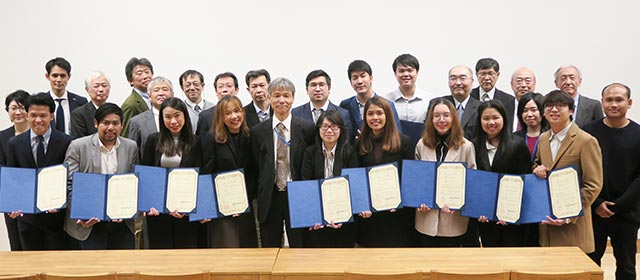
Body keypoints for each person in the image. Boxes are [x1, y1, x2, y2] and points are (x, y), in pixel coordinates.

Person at [532, 90, 602, 254]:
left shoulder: (586, 141)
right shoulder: (543, 138)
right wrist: (537, 169)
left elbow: (593, 185)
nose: (554, 110)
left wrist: (569, 215)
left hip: (573, 228)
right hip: (546, 225)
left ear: (571, 110)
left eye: (560, 105)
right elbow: (537, 164)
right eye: (549, 106)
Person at [582, 83, 640, 279]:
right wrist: (597, 203)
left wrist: (618, 206)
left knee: (626, 266)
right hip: (593, 211)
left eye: (619, 100)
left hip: (627, 212)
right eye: (609, 100)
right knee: (590, 264)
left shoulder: (638, 133)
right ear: (602, 103)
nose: (613, 104)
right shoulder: (588, 132)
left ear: (629, 103)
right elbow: (581, 171)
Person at [250, 77, 315, 248]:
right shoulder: (258, 131)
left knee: (300, 246)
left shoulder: (307, 128)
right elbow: (257, 164)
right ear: (269, 98)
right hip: (270, 195)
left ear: (293, 98)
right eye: (276, 95)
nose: (281, 100)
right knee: (270, 247)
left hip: (297, 194)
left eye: (286, 96)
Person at [63, 103, 138, 249]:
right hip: (88, 223)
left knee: (123, 268)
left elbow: (134, 182)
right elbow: (69, 184)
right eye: (106, 123)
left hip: (121, 221)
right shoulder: (78, 146)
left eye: (115, 123)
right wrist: (82, 213)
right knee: (93, 270)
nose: (111, 128)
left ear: (122, 125)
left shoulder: (131, 146)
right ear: (96, 123)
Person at [5, 92, 73, 250]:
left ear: (51, 116)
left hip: (57, 220)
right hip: (27, 219)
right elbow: (13, 179)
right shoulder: (15, 143)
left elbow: (70, 179)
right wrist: (13, 205)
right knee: (30, 267)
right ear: (27, 115)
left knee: (56, 269)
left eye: (43, 115)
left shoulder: (67, 142)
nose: (38, 120)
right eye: (33, 115)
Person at [141, 97, 202, 249]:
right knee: (161, 255)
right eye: (167, 117)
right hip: (158, 211)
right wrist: (149, 204)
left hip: (185, 211)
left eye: (177, 115)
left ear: (185, 116)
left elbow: (200, 177)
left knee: (186, 255)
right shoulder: (153, 140)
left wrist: (189, 209)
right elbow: (146, 175)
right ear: (162, 119)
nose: (173, 121)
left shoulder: (196, 142)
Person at [414, 97, 476, 247]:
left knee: (449, 267)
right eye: (436, 116)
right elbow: (416, 179)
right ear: (431, 119)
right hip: (426, 219)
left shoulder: (466, 146)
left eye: (446, 115)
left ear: (454, 118)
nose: (441, 120)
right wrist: (418, 200)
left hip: (453, 221)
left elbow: (472, 182)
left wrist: (460, 202)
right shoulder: (422, 144)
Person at [354, 96, 415, 247]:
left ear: (387, 115)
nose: (375, 117)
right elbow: (357, 180)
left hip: (397, 215)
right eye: (370, 114)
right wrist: (362, 204)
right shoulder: (358, 144)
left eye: (379, 113)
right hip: (370, 216)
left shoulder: (404, 142)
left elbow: (409, 179)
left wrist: (399, 201)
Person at [472, 100, 532, 247]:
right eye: (486, 118)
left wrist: (511, 212)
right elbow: (472, 182)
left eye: (495, 117)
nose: (491, 122)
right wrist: (477, 209)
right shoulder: (473, 145)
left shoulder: (517, 144)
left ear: (504, 119)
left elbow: (525, 182)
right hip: (485, 218)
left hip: (512, 218)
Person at [200, 95, 257, 248]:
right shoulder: (211, 138)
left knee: (248, 249)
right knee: (226, 248)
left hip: (245, 205)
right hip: (221, 207)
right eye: (228, 113)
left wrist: (245, 201)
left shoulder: (250, 135)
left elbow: (254, 172)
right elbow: (207, 173)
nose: (234, 116)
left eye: (237, 111)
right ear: (221, 117)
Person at [301, 110, 359, 247]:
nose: (329, 130)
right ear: (318, 129)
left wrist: (341, 217)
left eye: (334, 126)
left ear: (341, 129)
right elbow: (307, 185)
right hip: (318, 220)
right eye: (325, 126)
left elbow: (354, 187)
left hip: (343, 219)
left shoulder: (349, 152)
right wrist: (314, 217)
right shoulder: (310, 153)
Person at [340, 60, 403, 140]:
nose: (359, 81)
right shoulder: (345, 105)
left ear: (371, 78)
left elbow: (397, 134)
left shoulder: (387, 104)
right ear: (350, 82)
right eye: (355, 78)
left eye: (363, 76)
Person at [0, 90, 30, 251]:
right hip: (11, 199)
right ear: (8, 111)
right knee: (16, 243)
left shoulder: (37, 136)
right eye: (13, 108)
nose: (18, 112)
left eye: (22, 107)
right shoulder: (2, 137)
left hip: (35, 198)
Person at [292, 70, 353, 141]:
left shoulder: (342, 114)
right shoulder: (296, 113)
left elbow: (346, 142)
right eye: (313, 85)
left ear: (329, 88)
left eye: (321, 85)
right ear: (307, 89)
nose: (317, 89)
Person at [128, 77, 174, 159]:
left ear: (172, 94)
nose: (161, 93)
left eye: (165, 89)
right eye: (156, 90)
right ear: (149, 96)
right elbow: (133, 154)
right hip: (149, 169)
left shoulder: (180, 119)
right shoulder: (137, 122)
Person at [384, 54, 435, 123]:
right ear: (395, 73)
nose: (406, 74)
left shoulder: (429, 100)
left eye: (410, 70)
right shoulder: (386, 101)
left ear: (417, 72)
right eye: (401, 71)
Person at [434, 65, 480, 140]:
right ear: (448, 82)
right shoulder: (437, 105)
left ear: (472, 82)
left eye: (462, 78)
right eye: (453, 78)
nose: (458, 83)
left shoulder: (480, 108)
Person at [44, 57, 88, 135]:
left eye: (62, 76)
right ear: (47, 76)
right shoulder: (41, 102)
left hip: (74, 145)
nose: (59, 80)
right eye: (55, 75)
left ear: (69, 76)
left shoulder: (81, 102)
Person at [70, 71, 111, 138]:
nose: (101, 89)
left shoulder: (114, 111)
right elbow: (79, 142)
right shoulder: (79, 114)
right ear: (87, 90)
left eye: (104, 85)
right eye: (96, 86)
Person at [121, 57, 154, 137]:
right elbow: (125, 134)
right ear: (130, 80)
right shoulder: (130, 104)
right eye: (139, 73)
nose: (145, 76)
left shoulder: (155, 98)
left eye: (147, 72)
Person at [514, 92, 549, 161]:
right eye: (525, 110)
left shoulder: (551, 136)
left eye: (533, 110)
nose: (529, 114)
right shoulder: (514, 138)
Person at [509, 67, 540, 132]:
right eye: (519, 81)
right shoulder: (504, 108)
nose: (523, 85)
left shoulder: (542, 106)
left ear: (534, 83)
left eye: (528, 81)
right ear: (511, 84)